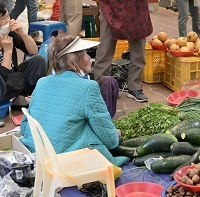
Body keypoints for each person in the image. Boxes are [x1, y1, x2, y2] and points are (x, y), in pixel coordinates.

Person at [19, 35, 127, 166]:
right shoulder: (88, 87)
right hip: (65, 160)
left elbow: (25, 126)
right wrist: (116, 137)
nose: (89, 58)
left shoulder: (42, 82)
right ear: (72, 64)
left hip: (37, 152)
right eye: (85, 54)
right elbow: (109, 139)